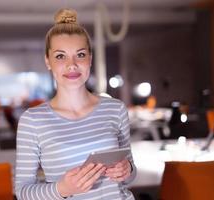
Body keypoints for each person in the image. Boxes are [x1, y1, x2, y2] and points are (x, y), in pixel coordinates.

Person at [15, 8, 136, 200]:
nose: (72, 65)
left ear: (90, 58)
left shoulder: (115, 108)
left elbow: (129, 175)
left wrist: (127, 169)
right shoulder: (32, 120)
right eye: (60, 56)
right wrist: (62, 188)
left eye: (80, 55)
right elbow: (22, 192)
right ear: (48, 61)